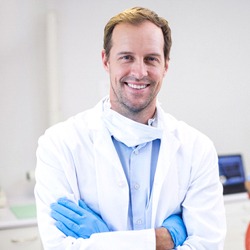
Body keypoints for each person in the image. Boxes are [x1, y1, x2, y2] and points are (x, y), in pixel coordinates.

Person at [34, 6, 226, 250]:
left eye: (151, 59)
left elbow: (208, 246)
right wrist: (162, 239)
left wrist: (104, 239)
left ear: (166, 65)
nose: (139, 72)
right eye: (126, 57)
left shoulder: (198, 149)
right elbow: (60, 247)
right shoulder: (59, 144)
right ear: (106, 61)